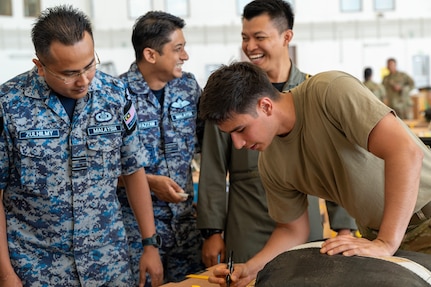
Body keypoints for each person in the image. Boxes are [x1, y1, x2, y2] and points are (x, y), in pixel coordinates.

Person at [198, 61, 431, 287]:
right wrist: (250, 269)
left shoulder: (330, 91)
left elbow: (406, 152)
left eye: (241, 129)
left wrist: (386, 242)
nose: (237, 144)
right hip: (381, 237)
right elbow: (292, 230)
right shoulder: (270, 163)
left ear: (266, 106)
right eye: (231, 135)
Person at [0, 5, 162, 287]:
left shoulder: (115, 94)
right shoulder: (8, 105)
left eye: (90, 65)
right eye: (70, 73)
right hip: (36, 269)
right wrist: (5, 274)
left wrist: (150, 243)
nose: (84, 80)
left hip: (108, 264)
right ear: (40, 65)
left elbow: (133, 170)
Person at [197, 0, 356, 266]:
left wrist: (344, 227)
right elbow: (213, 167)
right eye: (245, 38)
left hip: (304, 221)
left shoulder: (312, 91)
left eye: (259, 37)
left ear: (287, 37)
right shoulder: (229, 96)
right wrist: (212, 231)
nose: (250, 47)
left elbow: (335, 164)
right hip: (247, 222)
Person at [116, 11, 205, 286]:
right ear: (151, 55)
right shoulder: (116, 95)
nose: (185, 56)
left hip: (186, 230)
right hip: (136, 236)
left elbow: (208, 148)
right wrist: (150, 183)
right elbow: (99, 171)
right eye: (178, 49)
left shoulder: (188, 87)